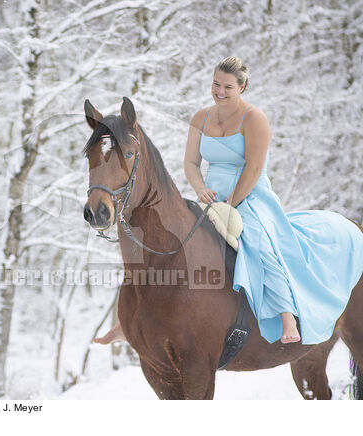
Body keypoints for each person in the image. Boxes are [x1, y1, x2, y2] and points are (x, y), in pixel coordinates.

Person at [95, 56, 363, 346]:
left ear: (242, 87)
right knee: (167, 244)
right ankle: (132, 321)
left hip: (250, 195)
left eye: (228, 87)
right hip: (212, 197)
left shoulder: (254, 119)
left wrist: (233, 203)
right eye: (216, 84)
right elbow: (190, 163)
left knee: (257, 242)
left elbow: (254, 168)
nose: (220, 91)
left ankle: (286, 313)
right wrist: (200, 189)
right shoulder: (201, 118)